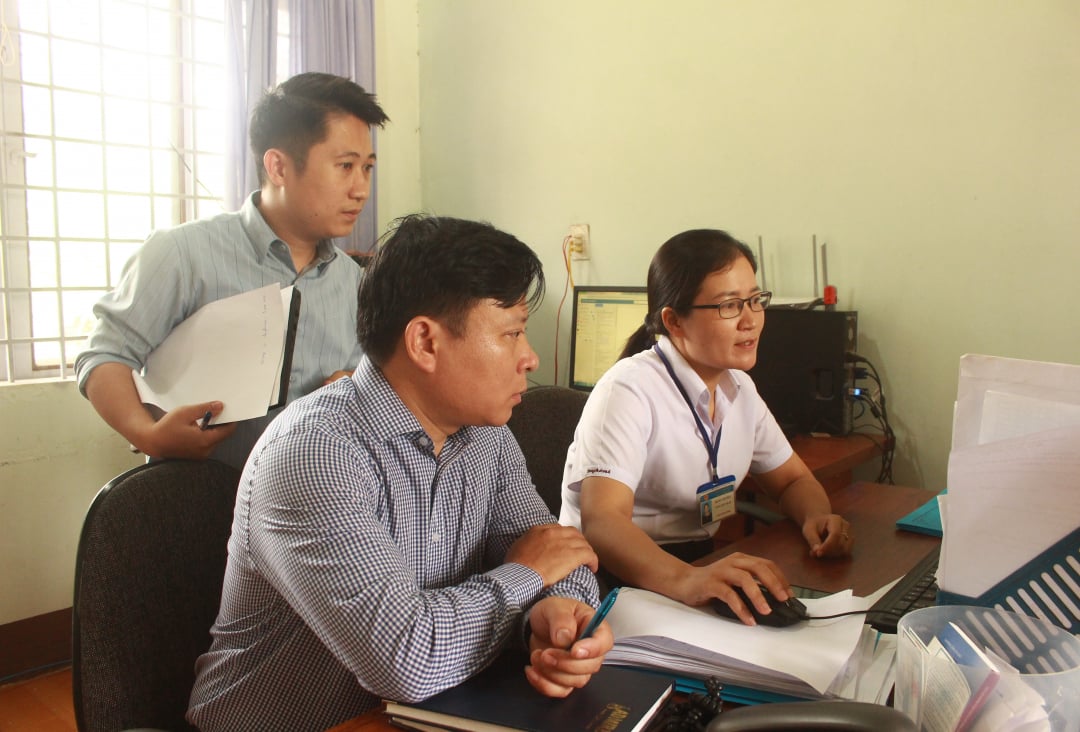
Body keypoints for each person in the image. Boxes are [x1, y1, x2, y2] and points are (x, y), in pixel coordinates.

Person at [186, 215, 614, 732]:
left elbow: (558, 554)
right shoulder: (314, 454)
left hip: (432, 714)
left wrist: (559, 615)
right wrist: (524, 578)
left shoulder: (486, 434)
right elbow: (406, 659)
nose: (530, 357)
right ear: (425, 343)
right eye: (512, 333)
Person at [74, 72, 389, 470]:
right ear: (278, 167)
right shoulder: (183, 253)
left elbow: (370, 379)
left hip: (307, 502)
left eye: (367, 168)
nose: (360, 188)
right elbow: (105, 355)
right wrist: (148, 433)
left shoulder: (355, 283)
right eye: (345, 166)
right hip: (196, 498)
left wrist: (350, 383)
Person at [559, 228, 854, 626]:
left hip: (698, 564)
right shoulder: (628, 390)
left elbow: (792, 480)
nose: (750, 320)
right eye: (730, 305)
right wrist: (690, 580)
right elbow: (603, 523)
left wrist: (815, 518)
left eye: (754, 300)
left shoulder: (739, 388)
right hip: (610, 579)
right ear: (674, 321)